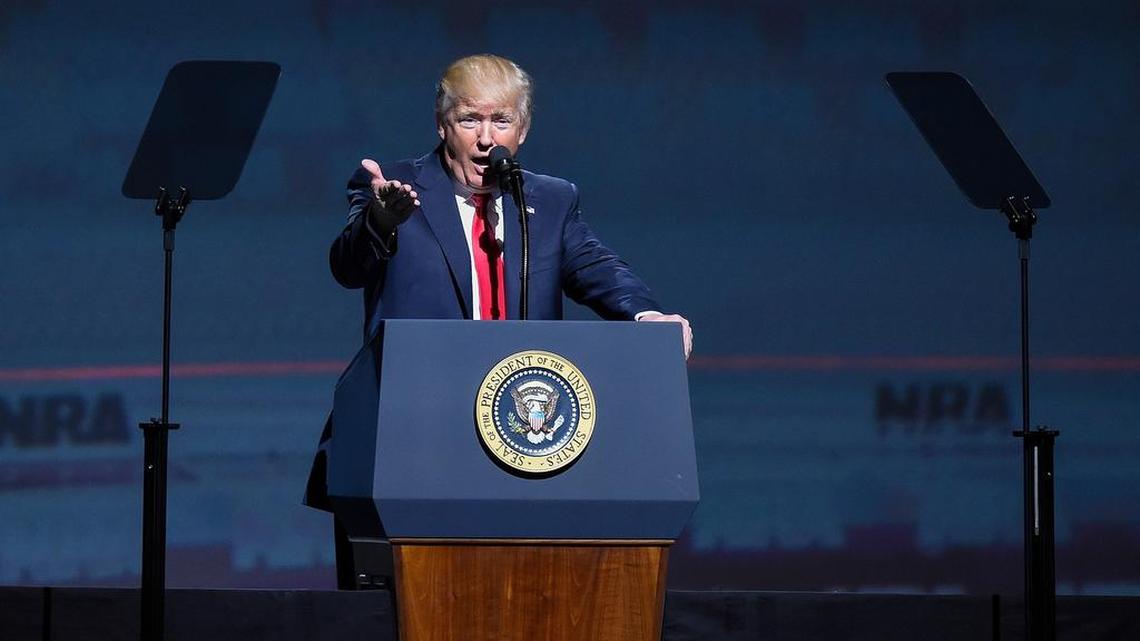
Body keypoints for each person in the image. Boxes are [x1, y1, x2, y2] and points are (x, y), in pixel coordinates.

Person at [306, 53, 692, 586]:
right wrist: (379, 222)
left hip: (521, 447)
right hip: (412, 444)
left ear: (523, 129)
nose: (486, 138)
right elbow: (347, 266)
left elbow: (596, 266)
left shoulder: (551, 201)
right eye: (470, 120)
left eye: (501, 121)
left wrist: (647, 314)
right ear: (443, 125)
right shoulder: (392, 186)